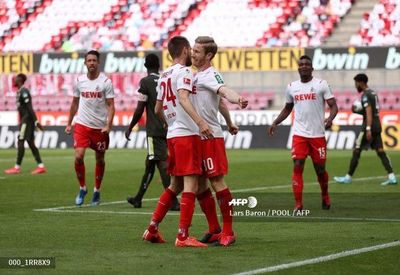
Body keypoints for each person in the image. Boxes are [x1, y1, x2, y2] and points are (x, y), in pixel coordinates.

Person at [142, 36, 212, 247]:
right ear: (184, 50)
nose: (191, 53)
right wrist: (200, 122)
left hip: (173, 135)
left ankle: (152, 229)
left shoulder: (163, 76)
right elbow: (183, 98)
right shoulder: (185, 72)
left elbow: (157, 109)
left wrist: (169, 124)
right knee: (191, 183)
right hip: (186, 135)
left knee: (175, 185)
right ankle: (182, 236)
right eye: (190, 49)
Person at [191, 36, 248, 246]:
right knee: (198, 185)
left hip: (210, 137)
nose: (192, 54)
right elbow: (219, 102)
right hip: (196, 137)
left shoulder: (211, 74)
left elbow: (224, 91)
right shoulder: (196, 75)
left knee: (217, 182)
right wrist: (230, 122)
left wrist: (238, 99)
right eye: (193, 49)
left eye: (197, 51)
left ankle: (229, 231)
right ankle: (214, 228)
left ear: (209, 56)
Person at [268, 55, 338, 211]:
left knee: (320, 169)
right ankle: (298, 204)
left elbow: (333, 106)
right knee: (298, 165)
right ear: (298, 68)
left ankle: (325, 196)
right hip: (299, 134)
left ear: (312, 68)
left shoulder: (321, 84)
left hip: (318, 135)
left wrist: (330, 119)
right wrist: (275, 122)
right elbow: (287, 108)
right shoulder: (292, 86)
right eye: (301, 64)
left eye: (307, 64)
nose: (304, 66)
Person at [125, 53, 180, 210]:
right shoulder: (165, 79)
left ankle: (173, 201)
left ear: (145, 66)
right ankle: (138, 198)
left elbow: (140, 107)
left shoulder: (146, 81)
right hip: (167, 126)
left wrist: (130, 127)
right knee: (150, 163)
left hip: (154, 130)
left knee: (162, 164)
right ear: (158, 65)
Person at [65, 50, 115, 206]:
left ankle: (96, 191)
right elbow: (74, 103)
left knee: (100, 159)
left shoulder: (106, 82)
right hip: (82, 125)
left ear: (98, 63)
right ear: (85, 63)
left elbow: (111, 105)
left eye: (94, 60)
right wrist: (69, 122)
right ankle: (82, 188)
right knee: (78, 156)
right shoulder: (80, 81)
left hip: (99, 128)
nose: (92, 63)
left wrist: (108, 124)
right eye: (89, 60)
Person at [334, 73, 397, 186]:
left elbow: (368, 112)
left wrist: (368, 128)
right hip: (377, 125)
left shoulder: (366, 95)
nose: (355, 85)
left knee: (357, 150)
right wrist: (357, 111)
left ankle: (348, 177)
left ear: (361, 82)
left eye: (356, 83)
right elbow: (373, 110)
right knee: (380, 151)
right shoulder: (373, 93)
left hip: (369, 126)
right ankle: (392, 177)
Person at [4, 73, 46, 175]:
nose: (14, 80)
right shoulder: (19, 92)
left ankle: (17, 167)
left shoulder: (24, 91)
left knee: (21, 140)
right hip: (25, 119)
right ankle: (41, 166)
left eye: (16, 78)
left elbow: (29, 107)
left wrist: (36, 121)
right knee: (31, 143)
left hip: (27, 120)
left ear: (20, 80)